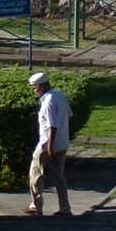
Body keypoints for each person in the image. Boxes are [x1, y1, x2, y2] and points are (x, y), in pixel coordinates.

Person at [26, 72, 72, 217]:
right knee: (59, 176)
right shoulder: (59, 95)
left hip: (47, 145)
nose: (34, 91)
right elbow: (69, 116)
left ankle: (36, 206)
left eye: (34, 88)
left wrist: (50, 146)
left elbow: (52, 126)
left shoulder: (48, 101)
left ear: (40, 87)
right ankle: (65, 208)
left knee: (35, 174)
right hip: (62, 143)